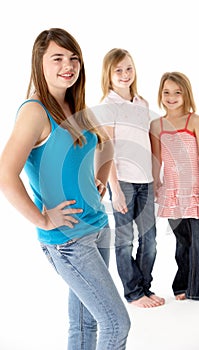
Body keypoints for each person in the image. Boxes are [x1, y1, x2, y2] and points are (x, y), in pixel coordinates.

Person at [0, 28, 131, 350]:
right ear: (39, 64)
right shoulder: (34, 111)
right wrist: (43, 220)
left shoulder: (75, 107)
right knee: (117, 324)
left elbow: (107, 146)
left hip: (98, 227)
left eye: (73, 58)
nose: (67, 65)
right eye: (57, 58)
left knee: (86, 322)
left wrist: (98, 179)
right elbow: (5, 174)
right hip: (69, 240)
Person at [95, 48, 165, 308]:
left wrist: (156, 177)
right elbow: (107, 149)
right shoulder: (107, 106)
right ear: (109, 75)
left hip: (146, 179)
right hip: (122, 180)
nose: (125, 75)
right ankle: (133, 293)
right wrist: (116, 190)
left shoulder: (142, 104)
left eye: (128, 68)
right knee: (125, 240)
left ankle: (145, 287)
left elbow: (149, 142)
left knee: (150, 241)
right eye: (118, 70)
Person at [150, 71, 199, 301]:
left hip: (194, 192)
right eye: (167, 92)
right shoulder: (157, 125)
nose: (171, 97)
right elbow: (156, 159)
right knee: (182, 242)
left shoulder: (195, 121)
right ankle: (181, 287)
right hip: (172, 193)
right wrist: (155, 185)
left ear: (186, 94)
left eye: (177, 92)